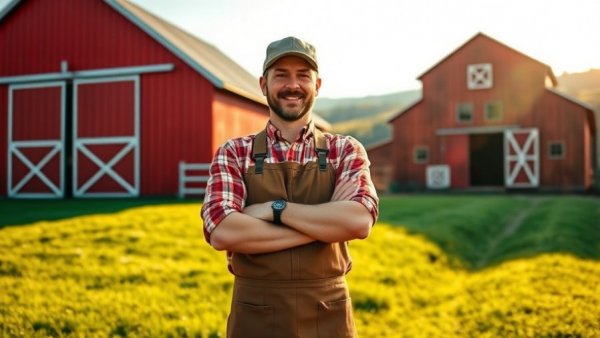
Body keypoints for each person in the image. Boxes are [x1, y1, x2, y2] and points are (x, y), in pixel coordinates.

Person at [201, 36, 379, 338]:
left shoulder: (346, 150)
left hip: (329, 314)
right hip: (254, 315)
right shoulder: (233, 152)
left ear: (317, 85)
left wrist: (275, 209)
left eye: (303, 76)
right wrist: (324, 227)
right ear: (263, 84)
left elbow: (358, 222)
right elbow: (222, 232)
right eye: (281, 74)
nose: (292, 85)